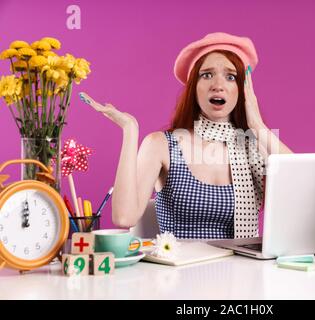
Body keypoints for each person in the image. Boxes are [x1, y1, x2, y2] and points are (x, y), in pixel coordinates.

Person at [82, 32, 292, 239]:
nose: (218, 85)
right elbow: (124, 217)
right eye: (207, 75)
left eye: (231, 77)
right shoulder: (162, 144)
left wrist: (257, 126)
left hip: (243, 269)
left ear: (243, 90)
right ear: (193, 88)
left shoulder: (255, 146)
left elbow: (299, 187)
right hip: (180, 270)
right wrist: (130, 130)